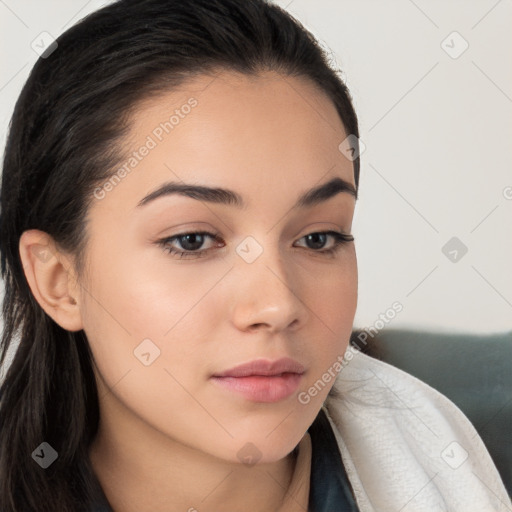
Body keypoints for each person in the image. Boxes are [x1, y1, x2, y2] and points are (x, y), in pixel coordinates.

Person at [0, 1, 509, 511]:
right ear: (59, 279)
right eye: (193, 240)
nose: (277, 305)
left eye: (318, 238)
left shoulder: (444, 465)